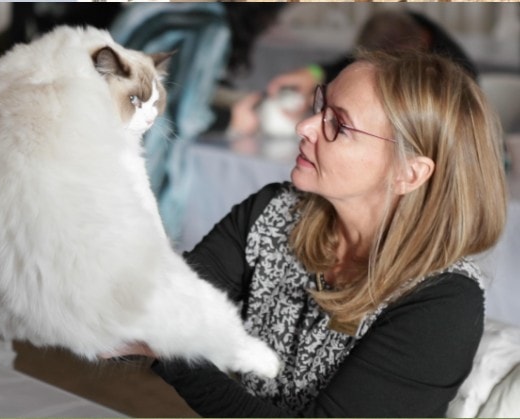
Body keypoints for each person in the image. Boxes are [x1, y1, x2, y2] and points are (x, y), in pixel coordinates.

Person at [107, 49, 507, 417]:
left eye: (339, 125)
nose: (305, 126)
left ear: (410, 173)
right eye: (321, 105)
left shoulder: (443, 302)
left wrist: (169, 349)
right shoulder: (275, 213)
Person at [229, 10, 478, 140]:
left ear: (422, 43)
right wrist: (314, 73)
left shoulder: (457, 76)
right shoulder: (403, 26)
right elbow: (348, 64)